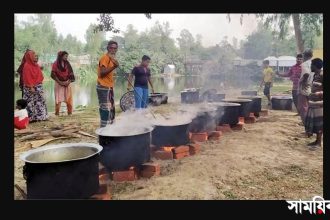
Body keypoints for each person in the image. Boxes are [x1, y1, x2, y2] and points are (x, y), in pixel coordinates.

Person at [96, 40, 119, 127]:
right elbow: (102, 73)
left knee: (111, 107)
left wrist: (114, 66)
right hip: (103, 86)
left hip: (109, 86)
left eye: (115, 48)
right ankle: (104, 128)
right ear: (107, 48)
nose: (113, 50)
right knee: (105, 108)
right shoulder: (104, 58)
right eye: (111, 48)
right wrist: (114, 67)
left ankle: (110, 126)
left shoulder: (112, 59)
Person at [22, 50, 48, 122]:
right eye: (34, 56)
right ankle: (31, 118)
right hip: (30, 88)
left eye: (37, 56)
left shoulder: (36, 65)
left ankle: (41, 117)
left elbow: (40, 76)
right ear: (30, 57)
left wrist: (38, 86)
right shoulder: (26, 66)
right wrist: (31, 87)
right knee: (30, 102)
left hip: (38, 87)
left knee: (40, 101)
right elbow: (27, 77)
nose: (36, 57)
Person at [305, 58, 323, 149]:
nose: (310, 66)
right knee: (316, 123)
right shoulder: (316, 75)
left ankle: (319, 143)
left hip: (319, 104)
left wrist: (318, 94)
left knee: (319, 123)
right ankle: (316, 141)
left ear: (315, 66)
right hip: (313, 103)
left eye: (311, 65)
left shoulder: (322, 75)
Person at [51, 51, 75, 116]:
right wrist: (60, 82)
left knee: (69, 99)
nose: (67, 57)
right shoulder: (55, 64)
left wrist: (68, 82)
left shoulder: (67, 64)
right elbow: (53, 75)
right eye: (65, 56)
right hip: (58, 84)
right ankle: (57, 113)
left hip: (67, 83)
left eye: (67, 56)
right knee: (58, 99)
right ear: (61, 56)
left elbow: (71, 74)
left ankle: (69, 113)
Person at [297, 49, 313, 125]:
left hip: (304, 88)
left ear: (305, 56)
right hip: (312, 88)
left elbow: (306, 74)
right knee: (310, 107)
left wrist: (301, 82)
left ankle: (307, 127)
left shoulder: (304, 64)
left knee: (303, 108)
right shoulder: (314, 63)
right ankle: (311, 125)